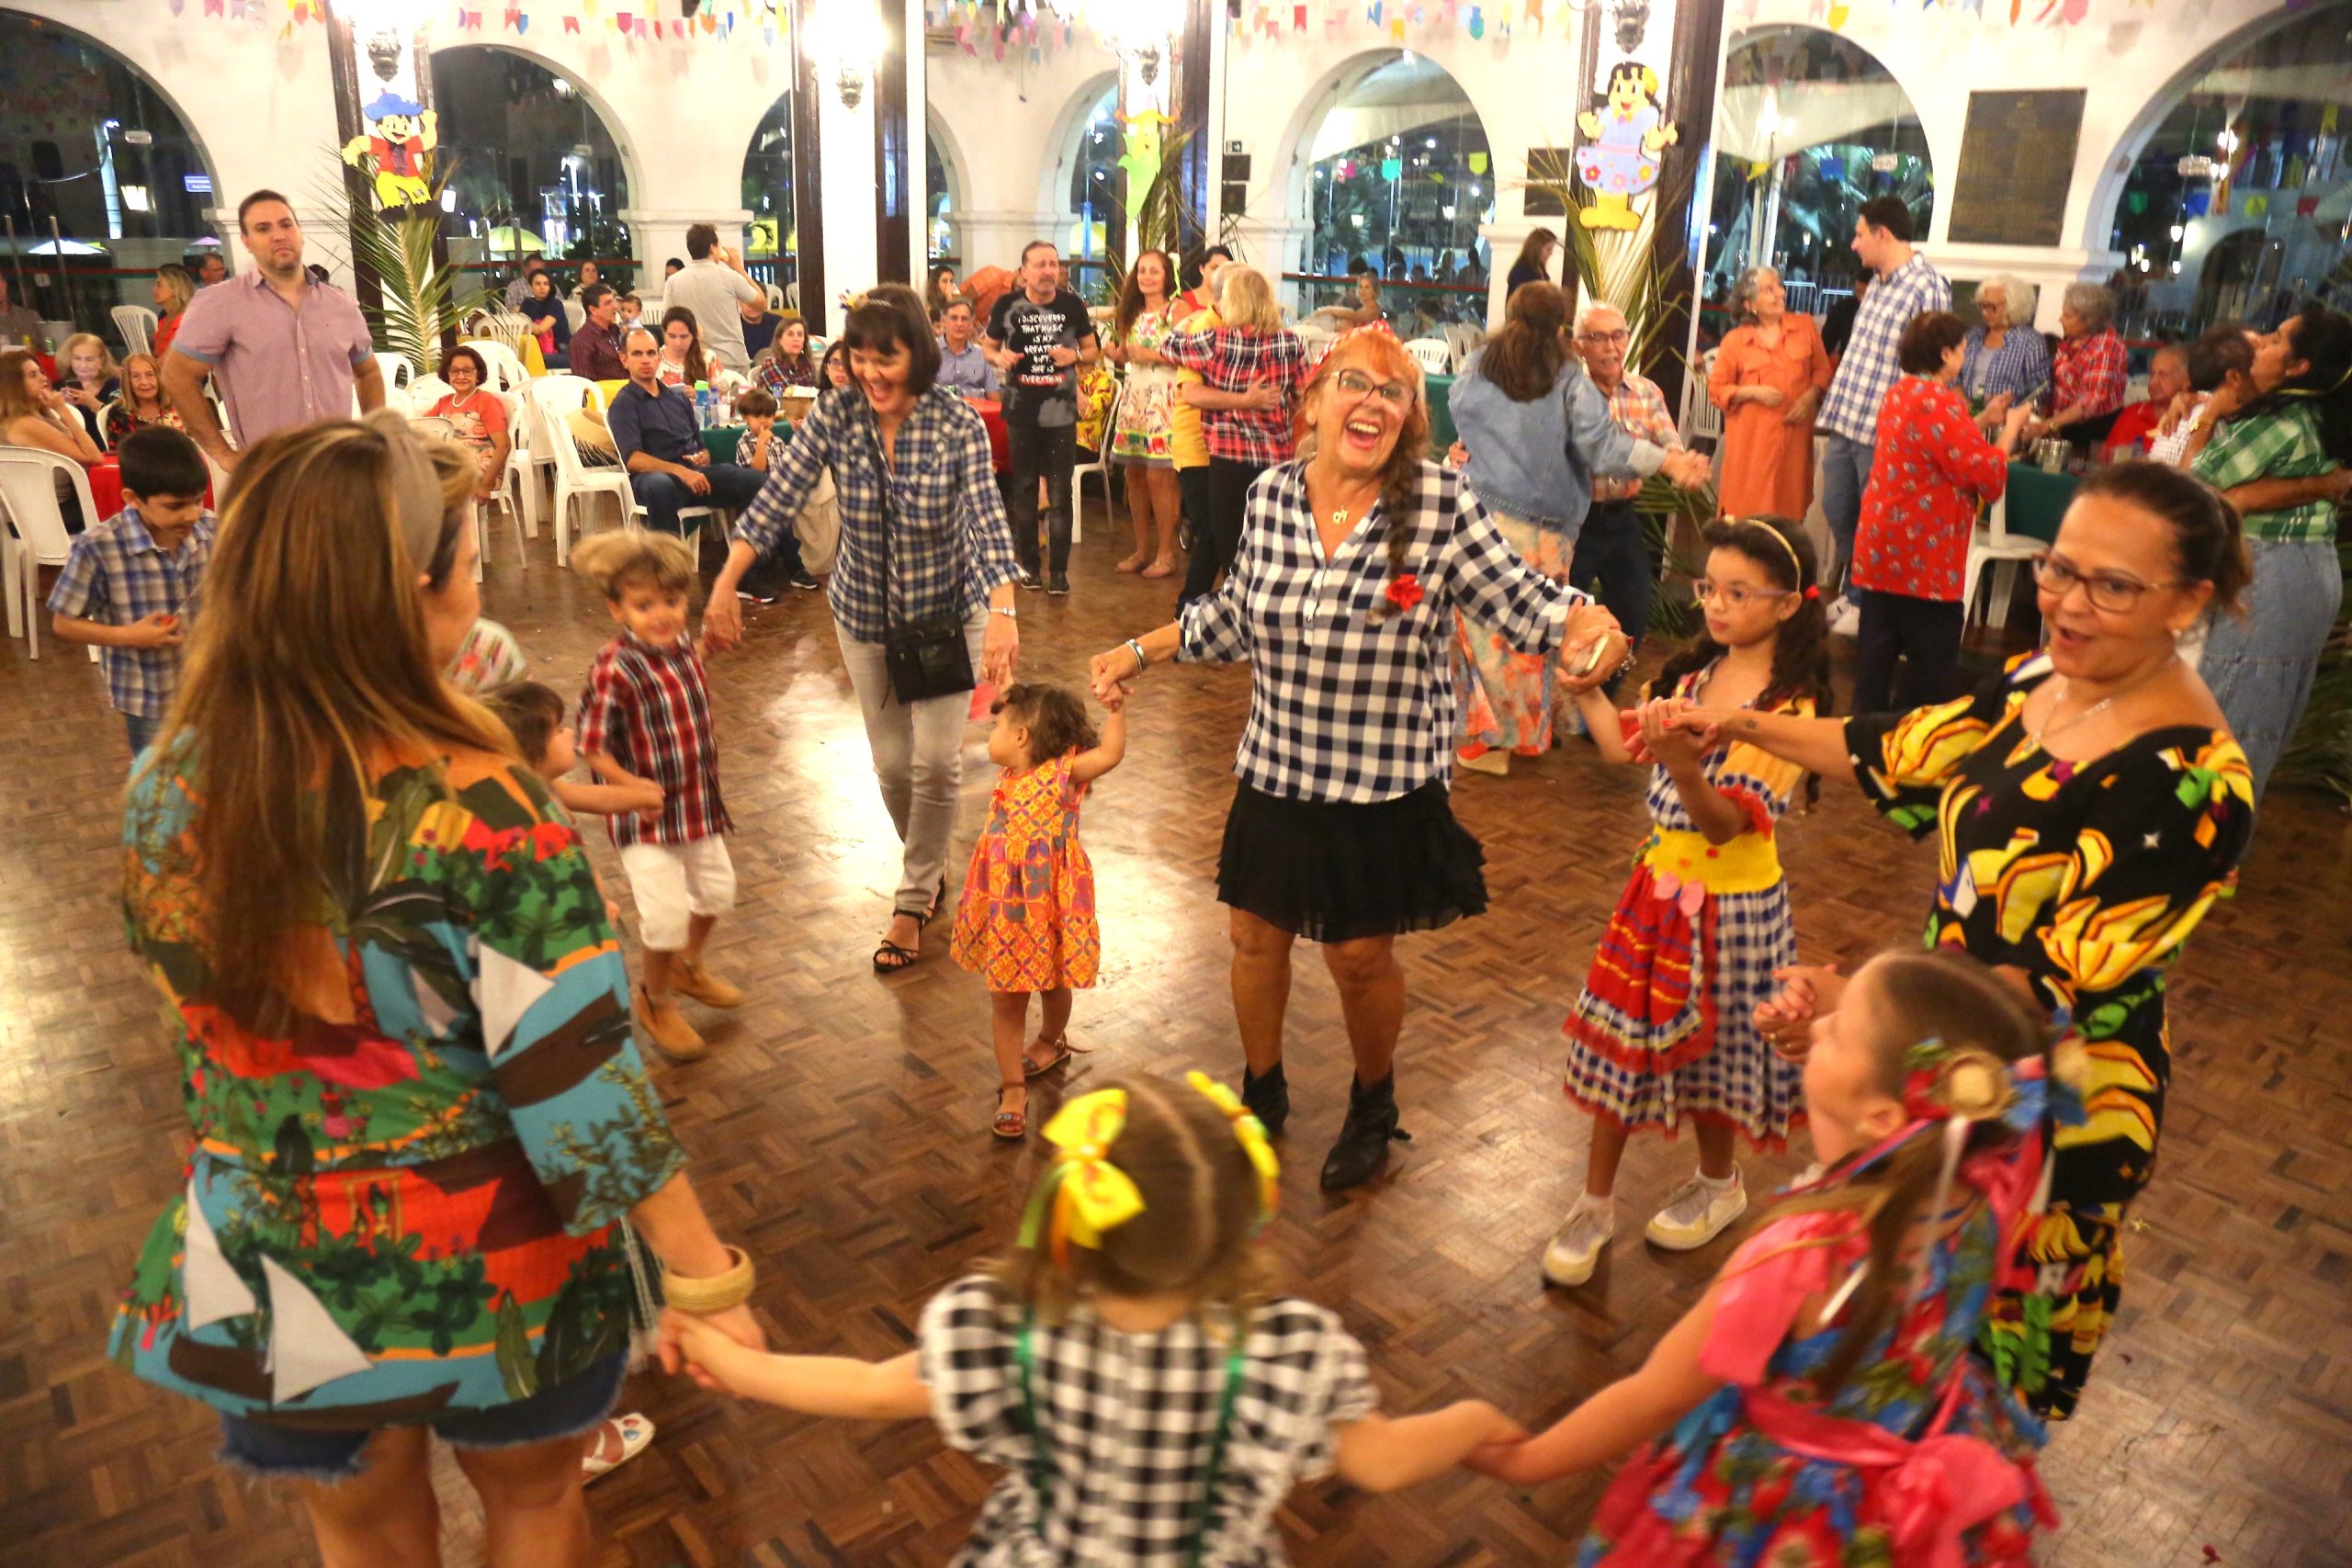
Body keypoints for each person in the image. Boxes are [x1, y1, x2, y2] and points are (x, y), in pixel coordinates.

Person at [110, 412, 756, 1557]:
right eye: (467, 558)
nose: (478, 581)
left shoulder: (166, 786)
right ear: (414, 586)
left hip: (277, 1248)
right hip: (492, 1263)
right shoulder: (485, 804)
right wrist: (706, 1279)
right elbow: (577, 1085)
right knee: (534, 1503)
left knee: (359, 1535)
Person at [1679, 460, 2258, 1420]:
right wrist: (1731, 723)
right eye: (2057, 569)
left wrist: (1865, 1006)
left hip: (2045, 1110)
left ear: (2189, 600)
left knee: (1964, 1392)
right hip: (1937, 1040)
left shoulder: (2193, 781)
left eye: (2112, 586)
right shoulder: (2044, 677)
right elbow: (1894, 746)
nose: (2067, 604)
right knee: (1876, 1350)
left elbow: (2046, 986)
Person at [1087, 326, 1630, 1190]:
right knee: (1252, 936)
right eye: (1354, 383)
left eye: (1393, 391)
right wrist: (1139, 650)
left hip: (1383, 781)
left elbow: (1524, 600)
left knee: (1358, 957)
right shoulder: (1270, 496)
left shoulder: (1437, 504)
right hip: (1279, 763)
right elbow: (1235, 615)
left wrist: (1591, 624)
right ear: (1313, 401)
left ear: (1411, 416)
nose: (1372, 402)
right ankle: (1262, 1093)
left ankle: (1374, 1102)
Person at [675, 1074, 1526, 1559]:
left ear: (1069, 1221)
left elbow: (866, 1389)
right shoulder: (1286, 1353)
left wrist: (740, 1363)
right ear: (1244, 1222)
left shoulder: (1005, 1329)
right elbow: (1380, 1461)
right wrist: (1472, 1419)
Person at [1478, 951, 2056, 1566]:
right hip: (1907, 1499)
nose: (1819, 1025)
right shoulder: (1982, 1192)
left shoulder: (1803, 1251)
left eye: (1838, 1028)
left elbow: (1655, 1396)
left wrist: (1525, 1459)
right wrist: (1851, 1055)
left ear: (1884, 1115)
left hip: (1792, 1517)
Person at [1543, 517, 1830, 1286]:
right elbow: (1620, 746)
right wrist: (1588, 692)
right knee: (1619, 1042)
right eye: (1710, 587)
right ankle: (1594, 1203)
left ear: (1787, 605)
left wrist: (1683, 766)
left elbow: (1725, 822)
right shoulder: (1691, 678)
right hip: (1655, 895)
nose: (1717, 604)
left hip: (1738, 911)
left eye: (1739, 592)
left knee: (1721, 1053)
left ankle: (1718, 1183)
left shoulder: (1790, 711)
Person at [708, 285, 1022, 973]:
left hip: (948, 611)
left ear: (919, 356)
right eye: (860, 357)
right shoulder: (836, 414)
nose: (871, 373)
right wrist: (726, 581)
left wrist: (1003, 611)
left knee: (935, 760)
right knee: (891, 764)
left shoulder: (957, 424)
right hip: (865, 615)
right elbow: (777, 498)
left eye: (888, 358)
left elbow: (988, 519)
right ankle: (929, 860)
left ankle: (913, 897)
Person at [1448, 283, 1711, 769]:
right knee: (1535, 629)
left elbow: (1458, 410)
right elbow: (1604, 446)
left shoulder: (1480, 363)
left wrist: (1475, 450)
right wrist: (1671, 463)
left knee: (1488, 632)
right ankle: (1508, 740)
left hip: (1479, 512)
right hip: (1543, 527)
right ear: (1563, 330)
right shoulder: (1567, 377)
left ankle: (1506, 738)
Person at [571, 530, 747, 1060]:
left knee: (717, 893)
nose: (662, 615)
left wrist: (706, 650)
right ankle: (656, 997)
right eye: (644, 605)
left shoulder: (681, 647)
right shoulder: (613, 667)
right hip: (644, 821)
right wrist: (630, 788)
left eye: (671, 601)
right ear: (617, 610)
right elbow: (592, 747)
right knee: (664, 917)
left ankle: (685, 966)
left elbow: (677, 680)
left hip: (695, 804)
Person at [2183, 302, 2352, 797]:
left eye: (2276, 339)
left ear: (2298, 367)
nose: (2260, 343)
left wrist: (2207, 416)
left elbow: (2190, 494)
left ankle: (2206, 832)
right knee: (2260, 719)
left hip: (2270, 572)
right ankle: (2224, 829)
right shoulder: (2326, 416)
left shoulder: (2284, 421)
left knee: (2229, 715)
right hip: (2309, 572)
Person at [951, 682, 1128, 1138]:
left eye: (997, 727)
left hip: (1050, 904)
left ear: (1021, 737)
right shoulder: (1008, 773)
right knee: (1006, 998)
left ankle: (1051, 1040)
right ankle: (1013, 1088)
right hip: (1006, 908)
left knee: (1053, 981)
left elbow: (1110, 754)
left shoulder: (1061, 774)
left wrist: (1116, 710)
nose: (990, 735)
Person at [1850, 310, 2033, 714]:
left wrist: (1982, 419)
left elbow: (1934, 445)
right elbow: (1986, 475)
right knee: (1928, 675)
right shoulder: (1940, 402)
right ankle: (1909, 744)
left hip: (1882, 545)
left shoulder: (1899, 393)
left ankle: (1861, 740)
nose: (1965, 358)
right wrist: (2009, 430)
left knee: (1873, 668)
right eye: (1963, 350)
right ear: (1946, 353)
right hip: (1923, 553)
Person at [163, 189, 382, 471]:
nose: (278, 235)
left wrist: (373, 439)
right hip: (268, 473)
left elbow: (368, 372)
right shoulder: (221, 303)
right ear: (246, 241)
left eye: (286, 224)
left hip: (336, 470)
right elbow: (177, 375)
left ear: (300, 232)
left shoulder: (340, 305)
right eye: (263, 229)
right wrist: (222, 453)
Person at [1136, 265, 1311, 606]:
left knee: (1231, 547)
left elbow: (1168, 346)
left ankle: (1238, 615)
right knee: (1267, 545)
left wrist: (1185, 320)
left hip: (1229, 461)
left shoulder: (1216, 341)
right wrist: (1285, 408)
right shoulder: (1291, 342)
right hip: (1277, 462)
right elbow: (1307, 396)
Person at [1815, 196, 1950, 627]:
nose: (1854, 244)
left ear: (1883, 234)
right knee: (1838, 508)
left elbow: (1932, 367)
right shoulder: (1877, 282)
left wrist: (1908, 429)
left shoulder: (1927, 285)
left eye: (1859, 235)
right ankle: (1858, 591)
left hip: (1883, 430)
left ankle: (1866, 603)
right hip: (1848, 420)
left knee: (1877, 523)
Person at [45, 426, 216, 760]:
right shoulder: (98, 547)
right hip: (148, 697)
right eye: (175, 506)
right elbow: (64, 624)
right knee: (157, 782)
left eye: (198, 500)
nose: (192, 514)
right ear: (132, 499)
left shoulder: (214, 530)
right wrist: (129, 636)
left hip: (212, 689)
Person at [1566, 301, 1695, 689]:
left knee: (1634, 617)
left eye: (1618, 336)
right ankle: (1557, 705)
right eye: (1598, 337)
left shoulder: (1646, 392)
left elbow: (1670, 448)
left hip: (1622, 520)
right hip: (1575, 522)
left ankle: (1603, 695)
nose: (1611, 346)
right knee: (1561, 617)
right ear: (1578, 346)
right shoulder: (1567, 395)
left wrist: (1685, 466)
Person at [984, 240, 1101, 594]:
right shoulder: (1006, 305)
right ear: (1025, 271)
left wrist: (1074, 356)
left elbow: (1092, 349)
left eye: (1053, 264)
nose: (1049, 270)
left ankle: (1059, 572)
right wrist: (999, 358)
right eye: (1041, 264)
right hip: (1021, 411)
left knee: (1061, 494)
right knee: (1024, 490)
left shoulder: (1072, 305)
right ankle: (1030, 568)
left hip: (1061, 413)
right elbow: (988, 346)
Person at [607, 325, 779, 556]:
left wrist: (703, 455)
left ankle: (751, 565)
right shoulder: (623, 404)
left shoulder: (677, 398)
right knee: (660, 486)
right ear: (624, 360)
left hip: (694, 474)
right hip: (655, 477)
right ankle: (669, 568)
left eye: (650, 353)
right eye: (637, 354)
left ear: (658, 358)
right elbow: (633, 459)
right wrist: (680, 471)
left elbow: (700, 442)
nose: (646, 360)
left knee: (757, 481)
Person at [1710, 265, 1832, 522]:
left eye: (1779, 286)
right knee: (1746, 522)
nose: (1780, 293)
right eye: (1769, 290)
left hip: (1793, 448)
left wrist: (1810, 397)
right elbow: (1716, 389)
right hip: (1751, 450)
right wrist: (1752, 392)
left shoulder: (1805, 327)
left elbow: (1822, 370)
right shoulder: (1735, 341)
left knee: (1788, 519)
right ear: (1750, 304)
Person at [481, 678, 666, 825]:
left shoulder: (540, 784)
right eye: (559, 730)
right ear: (530, 749)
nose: (570, 732)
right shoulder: (528, 811)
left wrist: (645, 797)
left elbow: (598, 798)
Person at [1105, 248, 1183, 578]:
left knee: (1159, 476)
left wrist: (1150, 354)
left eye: (1154, 271)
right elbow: (1128, 354)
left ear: (1167, 276)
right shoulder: (1131, 311)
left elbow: (1189, 355)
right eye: (1142, 271)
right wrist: (1118, 355)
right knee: (1134, 474)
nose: (1147, 277)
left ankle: (1166, 553)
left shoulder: (1177, 310)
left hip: (1164, 397)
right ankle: (1140, 550)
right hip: (1136, 396)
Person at [1, 348, 105, 517]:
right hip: (51, 513)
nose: (44, 378)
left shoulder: (38, 414)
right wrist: (63, 411)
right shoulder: (24, 424)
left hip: (52, 507)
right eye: (33, 375)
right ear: (15, 385)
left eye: (41, 372)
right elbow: (93, 457)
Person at [2027, 282, 2129, 449]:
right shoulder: (2073, 338)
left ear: (2089, 321)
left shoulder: (2105, 349)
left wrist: (2049, 425)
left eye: (2067, 316)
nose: (2060, 319)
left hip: (2092, 430)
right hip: (2064, 422)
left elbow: (2091, 401)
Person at [660, 223, 763, 375]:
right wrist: (738, 268)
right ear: (713, 248)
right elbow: (761, 303)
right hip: (731, 361)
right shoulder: (729, 277)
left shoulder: (673, 281)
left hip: (694, 361)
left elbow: (667, 323)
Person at [1956, 274, 2049, 431]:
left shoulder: (2030, 341)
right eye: (1982, 306)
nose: (1984, 312)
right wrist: (1971, 410)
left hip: (2004, 426)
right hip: (1966, 419)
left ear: (2013, 306)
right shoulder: (1973, 335)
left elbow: (2040, 390)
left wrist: (2008, 403)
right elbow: (1952, 377)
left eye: (1991, 307)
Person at [425, 344, 512, 502]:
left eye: (467, 371)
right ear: (447, 374)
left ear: (478, 374)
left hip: (478, 469)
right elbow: (420, 427)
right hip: (450, 464)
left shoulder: (486, 401)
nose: (461, 376)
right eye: (454, 371)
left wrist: (485, 485)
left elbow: (504, 446)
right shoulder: (443, 402)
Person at [2102, 340, 2189, 458]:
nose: (2153, 382)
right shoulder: (2132, 414)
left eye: (2163, 375)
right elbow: (2105, 459)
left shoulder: (2192, 420)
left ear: (2186, 381)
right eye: (2152, 374)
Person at [654, 304, 741, 394]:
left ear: (693, 335)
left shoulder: (707, 358)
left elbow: (722, 393)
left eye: (684, 337)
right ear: (664, 334)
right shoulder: (655, 358)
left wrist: (699, 394)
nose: (678, 343)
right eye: (672, 336)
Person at [102, 353, 184, 446]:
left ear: (159, 377)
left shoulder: (179, 406)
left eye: (150, 374)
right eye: (136, 376)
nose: (144, 382)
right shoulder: (118, 413)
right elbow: (117, 451)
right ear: (128, 382)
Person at [53, 332, 119, 443]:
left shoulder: (115, 386)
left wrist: (93, 404)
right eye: (77, 358)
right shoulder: (59, 386)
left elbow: (120, 422)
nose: (83, 365)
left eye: (89, 359)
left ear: (102, 360)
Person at [933, 297, 999, 397]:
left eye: (964, 319)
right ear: (943, 321)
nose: (959, 324)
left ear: (971, 323)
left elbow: (994, 397)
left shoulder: (982, 355)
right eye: (954, 318)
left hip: (977, 407)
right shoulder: (930, 353)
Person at [568, 280, 628, 383]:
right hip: (607, 391)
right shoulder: (581, 341)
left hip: (633, 387)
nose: (615, 307)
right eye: (608, 303)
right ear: (593, 310)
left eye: (613, 301)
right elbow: (586, 385)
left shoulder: (617, 331)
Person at [516, 268, 571, 367]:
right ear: (531, 286)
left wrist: (524, 324)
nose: (542, 287)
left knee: (530, 361)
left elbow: (541, 329)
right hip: (537, 348)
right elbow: (520, 326)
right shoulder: (527, 303)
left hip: (561, 349)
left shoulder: (556, 304)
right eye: (538, 284)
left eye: (546, 284)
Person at [752, 315, 820, 393]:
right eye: (790, 334)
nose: (796, 339)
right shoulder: (771, 364)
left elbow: (816, 392)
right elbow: (781, 395)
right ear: (779, 340)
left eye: (800, 335)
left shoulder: (806, 363)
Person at [148, 263, 198, 361]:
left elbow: (165, 362)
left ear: (175, 289)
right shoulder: (164, 318)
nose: (153, 290)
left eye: (159, 285)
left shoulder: (183, 322)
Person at [1818, 269, 1868, 361]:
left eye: (1866, 293)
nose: (1862, 298)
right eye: (1858, 291)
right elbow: (1825, 345)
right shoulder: (1844, 308)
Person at [1505, 227, 1558, 299]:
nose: (1551, 253)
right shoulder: (1521, 271)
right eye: (1548, 249)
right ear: (1537, 248)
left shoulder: (1540, 269)